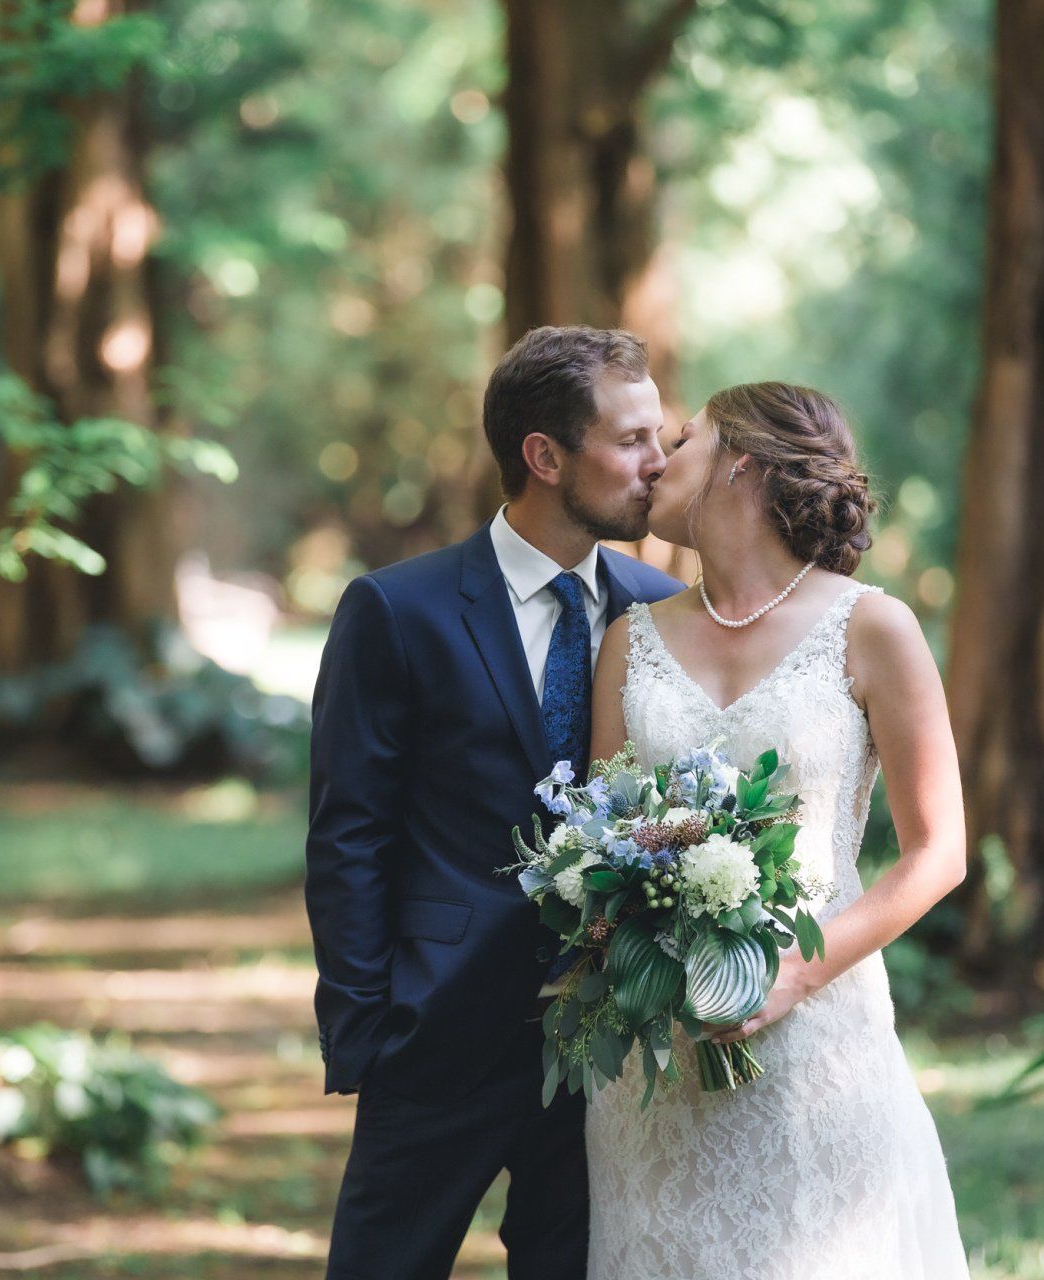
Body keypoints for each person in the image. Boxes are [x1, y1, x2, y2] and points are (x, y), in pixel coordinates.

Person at [305, 325, 683, 1279]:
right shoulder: (398, 610)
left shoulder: (659, 610)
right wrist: (366, 1030)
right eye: (631, 440)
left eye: (661, 436)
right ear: (545, 456)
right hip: (434, 1032)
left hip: (601, 1047)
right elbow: (349, 834)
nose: (659, 462)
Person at [584, 381, 973, 1278]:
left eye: (684, 440)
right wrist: (626, 947)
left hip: (817, 1039)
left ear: (742, 464)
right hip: (659, 1056)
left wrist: (793, 974)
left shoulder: (871, 627)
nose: (656, 462)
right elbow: (605, 836)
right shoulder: (630, 641)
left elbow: (939, 852)